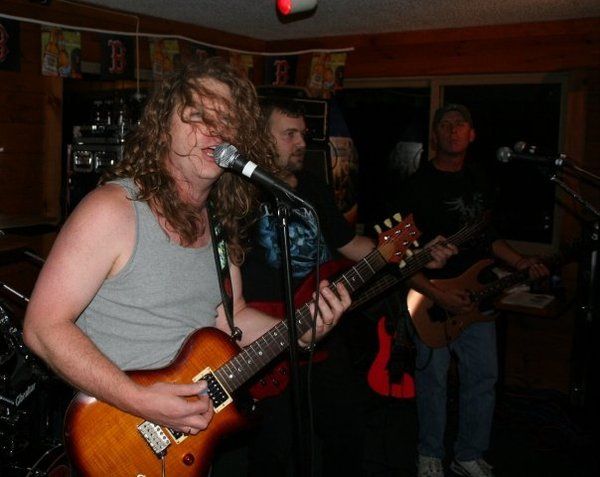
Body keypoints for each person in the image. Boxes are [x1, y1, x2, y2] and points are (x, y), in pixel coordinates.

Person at [22, 59, 351, 448]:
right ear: (164, 127)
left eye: (226, 120)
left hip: (185, 442)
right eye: (197, 116)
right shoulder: (114, 210)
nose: (214, 130)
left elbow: (233, 319)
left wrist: (301, 331)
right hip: (116, 433)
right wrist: (140, 399)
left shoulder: (219, 223)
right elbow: (43, 328)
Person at [239, 98, 457, 477]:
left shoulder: (312, 187)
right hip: (268, 337)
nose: (301, 143)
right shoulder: (240, 193)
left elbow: (350, 244)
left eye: (302, 134)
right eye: (289, 134)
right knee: (273, 448)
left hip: (323, 328)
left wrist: (416, 255)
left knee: (347, 431)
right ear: (260, 137)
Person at [395, 104, 549, 477]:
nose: (453, 130)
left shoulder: (480, 181)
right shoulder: (415, 186)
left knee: (482, 378)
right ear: (435, 135)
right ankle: (430, 455)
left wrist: (521, 262)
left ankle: (468, 455)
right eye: (445, 125)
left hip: (478, 296)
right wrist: (435, 293)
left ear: (472, 134)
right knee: (432, 380)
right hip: (431, 299)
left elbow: (488, 238)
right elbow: (397, 252)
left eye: (460, 124)